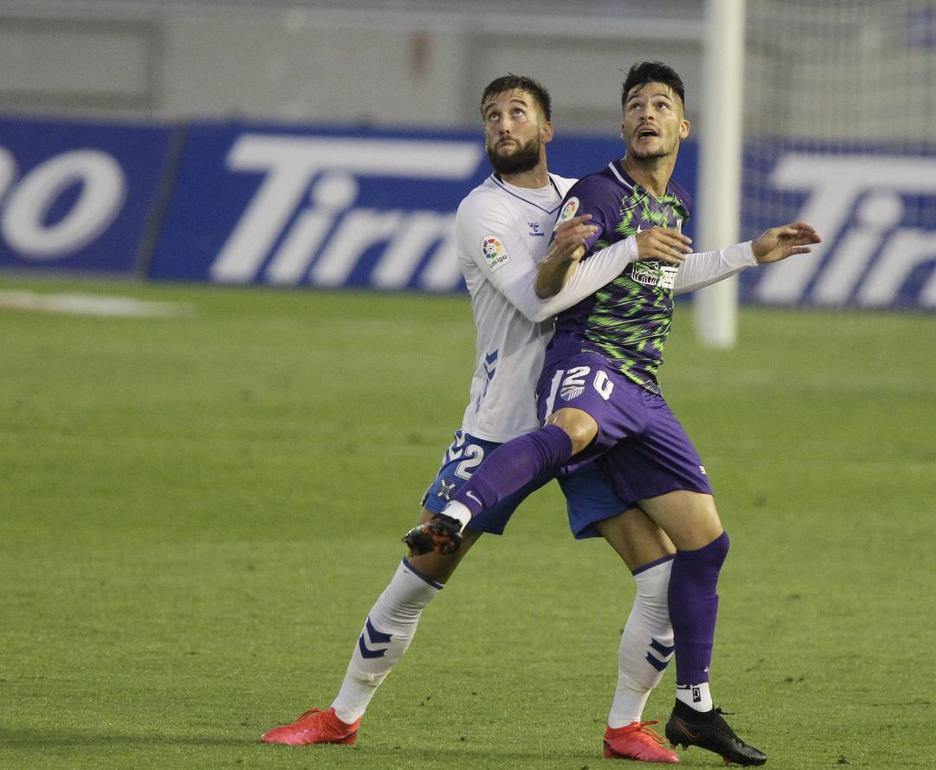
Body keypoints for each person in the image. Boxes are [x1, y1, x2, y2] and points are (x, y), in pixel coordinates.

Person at [261, 73, 785, 763]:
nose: (503, 126)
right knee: (423, 569)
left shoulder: (584, 194)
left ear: (547, 128)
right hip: (505, 424)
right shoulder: (483, 213)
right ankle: (342, 713)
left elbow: (649, 272)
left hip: (592, 410)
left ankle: (627, 724)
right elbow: (540, 303)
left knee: (662, 573)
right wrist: (618, 251)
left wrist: (735, 254)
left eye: (517, 114)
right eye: (491, 116)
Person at [412, 62, 820, 767]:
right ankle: (456, 511)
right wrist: (587, 246)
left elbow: (668, 272)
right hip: (588, 360)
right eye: (635, 104)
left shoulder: (675, 202)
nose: (646, 114)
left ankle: (693, 708)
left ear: (682, 126)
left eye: (661, 104)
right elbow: (556, 278)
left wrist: (752, 254)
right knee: (571, 430)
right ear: (622, 124)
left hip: (643, 390)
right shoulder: (601, 192)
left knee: (707, 543)